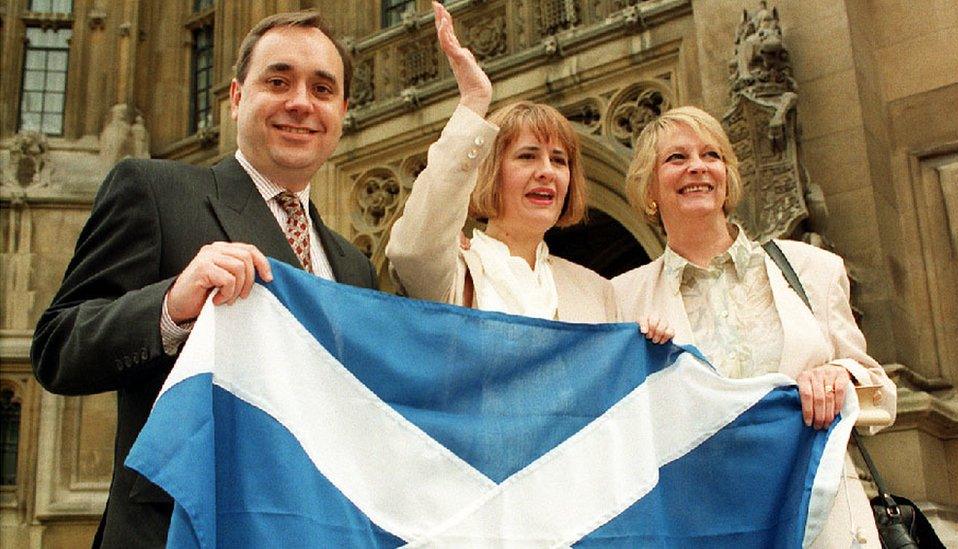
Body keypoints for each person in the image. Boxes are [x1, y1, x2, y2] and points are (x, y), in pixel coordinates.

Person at [31, 11, 377, 548]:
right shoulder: (154, 190)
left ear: (342, 111)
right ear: (236, 97)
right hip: (181, 529)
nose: (301, 103)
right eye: (278, 81)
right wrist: (170, 306)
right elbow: (57, 347)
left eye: (322, 89)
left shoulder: (355, 268)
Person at [612, 105, 897, 547]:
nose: (698, 168)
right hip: (703, 522)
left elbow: (881, 395)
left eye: (712, 155)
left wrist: (838, 377)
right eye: (676, 158)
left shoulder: (811, 269)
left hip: (818, 516)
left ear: (727, 176)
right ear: (649, 189)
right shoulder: (622, 298)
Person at [389, 2, 653, 329]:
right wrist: (474, 100)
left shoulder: (596, 290)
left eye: (559, 160)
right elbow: (411, 251)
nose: (546, 172)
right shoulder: (455, 272)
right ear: (491, 172)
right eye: (527, 156)